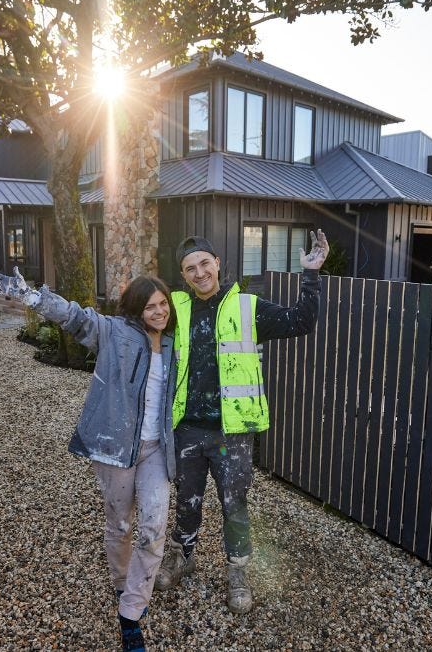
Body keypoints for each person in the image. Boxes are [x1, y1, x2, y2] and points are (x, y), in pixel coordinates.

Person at [0, 269, 176, 652]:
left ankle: (130, 613)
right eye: (150, 306)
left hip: (158, 449)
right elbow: (76, 317)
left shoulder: (176, 342)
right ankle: (123, 583)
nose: (159, 312)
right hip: (114, 447)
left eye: (163, 304)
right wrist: (34, 297)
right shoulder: (114, 333)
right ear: (136, 310)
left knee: (154, 526)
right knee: (120, 524)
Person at [153, 230, 329, 614]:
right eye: (190, 268)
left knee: (234, 504)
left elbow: (301, 321)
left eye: (204, 263)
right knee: (187, 499)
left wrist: (311, 274)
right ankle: (182, 555)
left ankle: (237, 571)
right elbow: (139, 319)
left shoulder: (248, 307)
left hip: (232, 431)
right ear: (183, 275)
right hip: (188, 427)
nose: (199, 273)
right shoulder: (176, 308)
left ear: (217, 263)